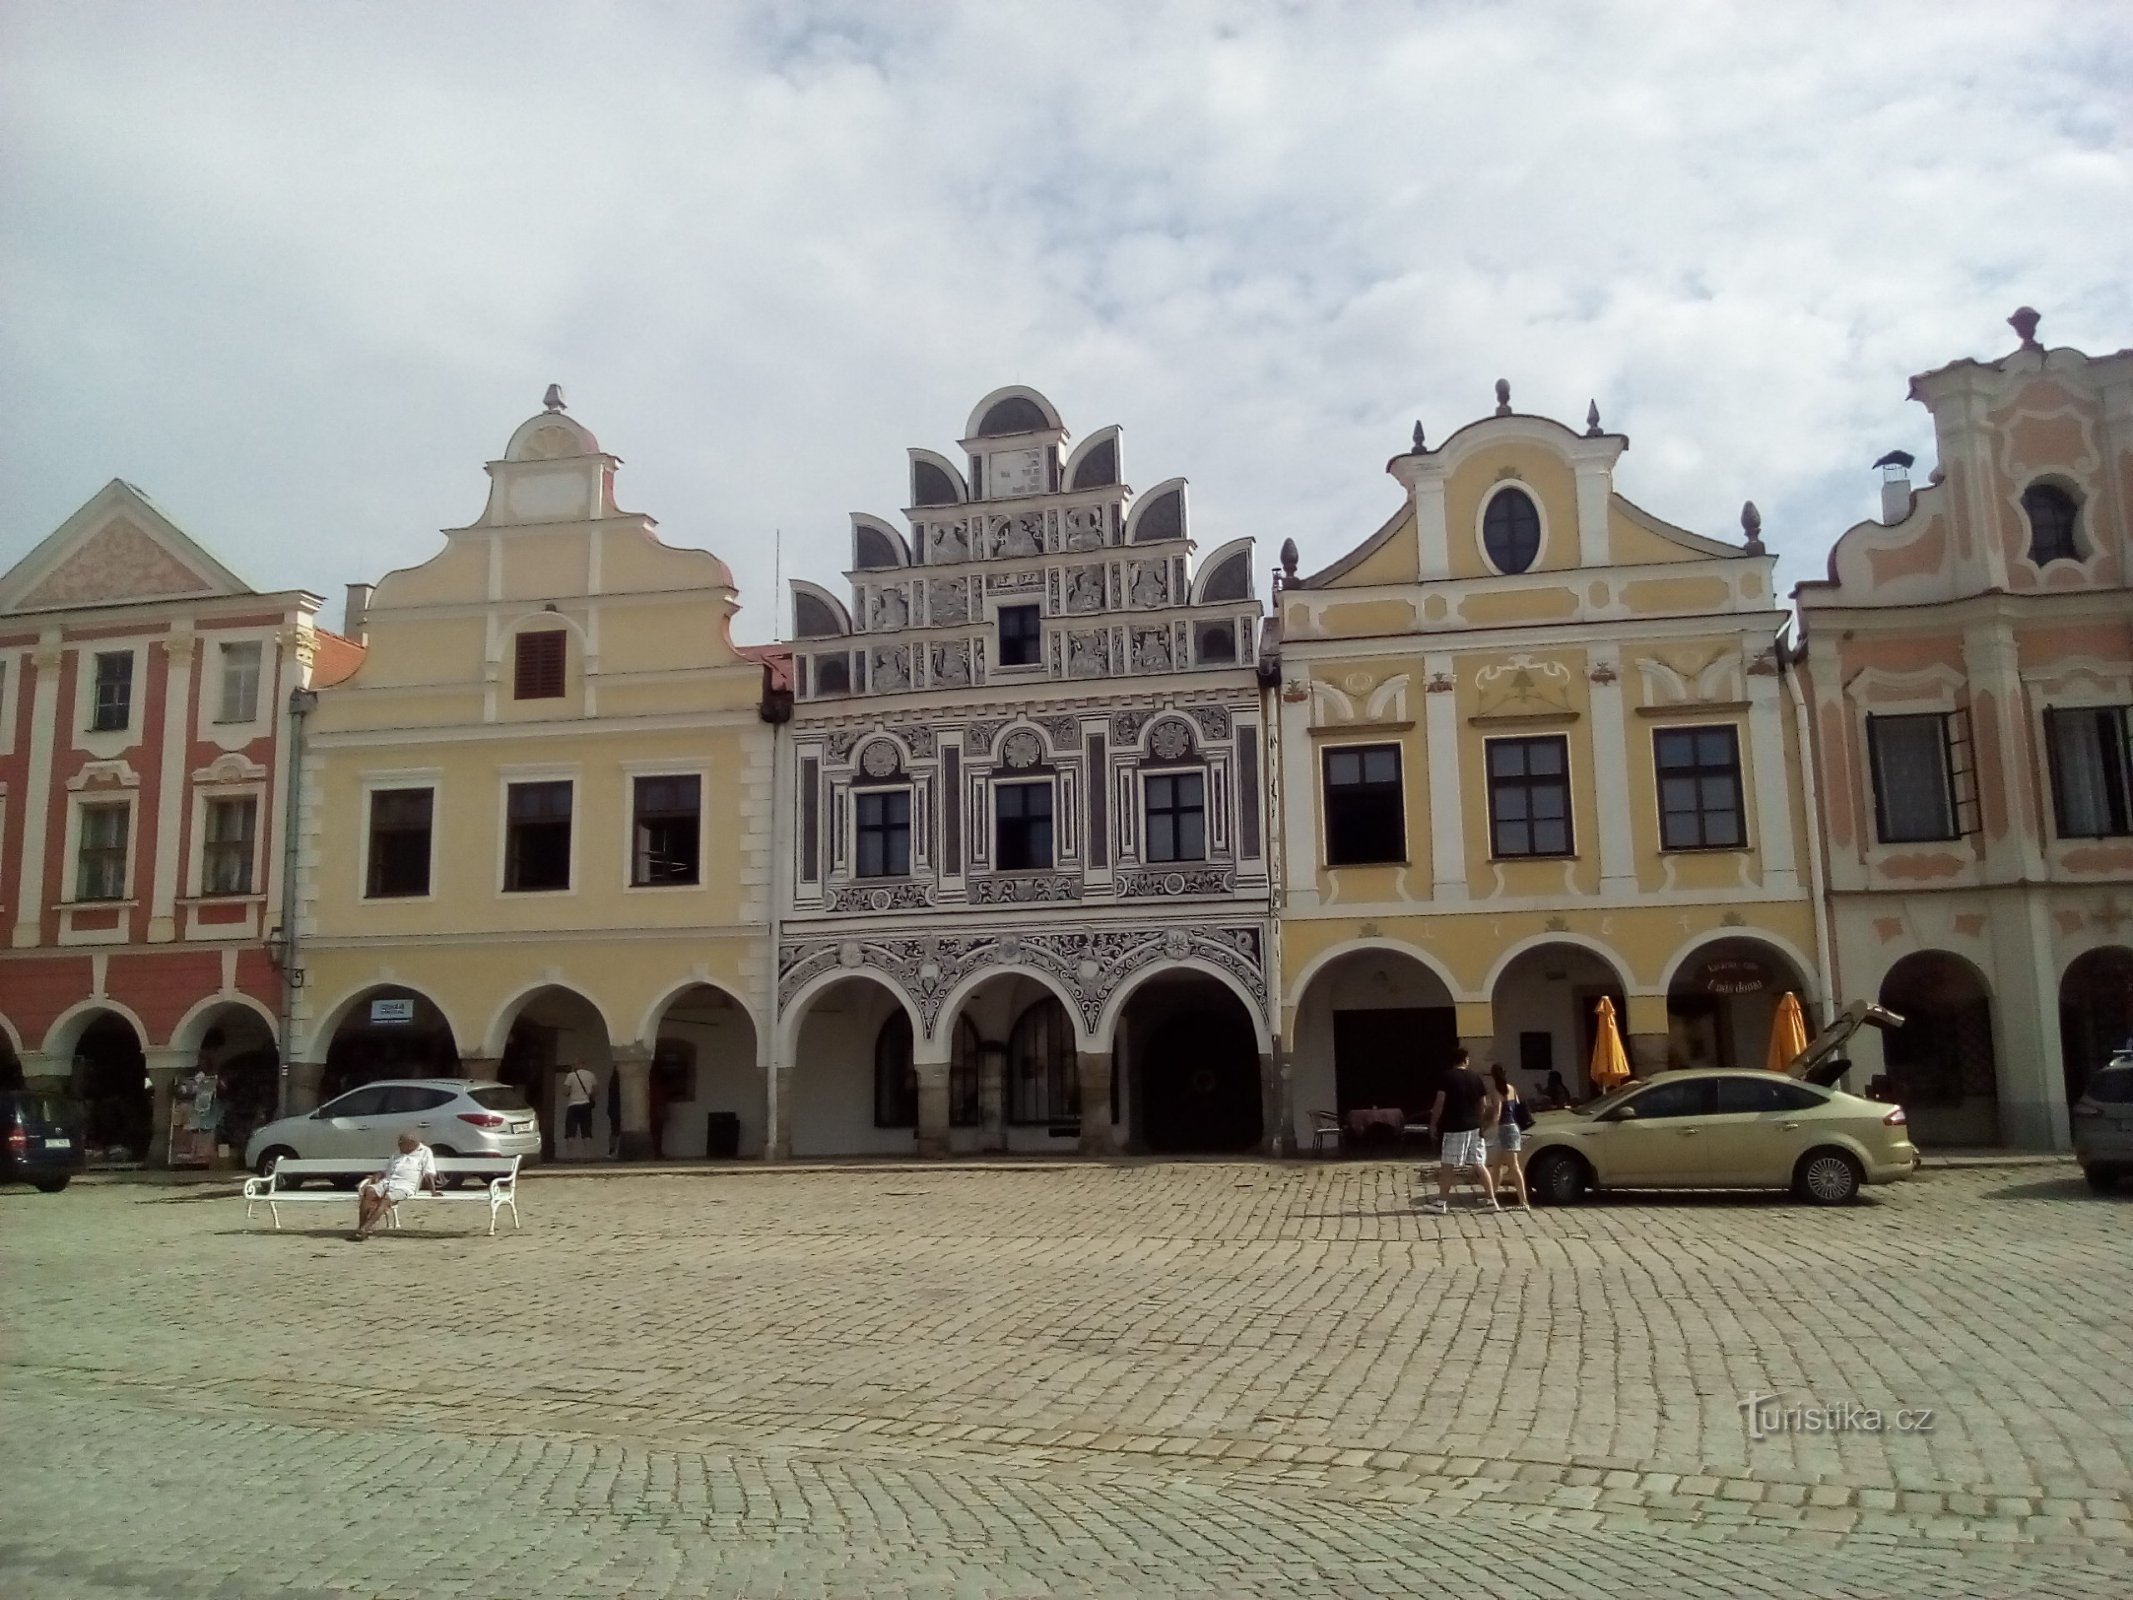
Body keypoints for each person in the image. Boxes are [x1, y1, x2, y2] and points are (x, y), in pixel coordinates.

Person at [1421, 1047, 1499, 1214]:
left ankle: (1441, 1202)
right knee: (1479, 1164)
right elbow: (1484, 1105)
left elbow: (1440, 1103)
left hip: (1454, 1126)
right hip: (1474, 1127)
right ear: (1465, 1060)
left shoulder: (1446, 1077)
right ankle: (1492, 1200)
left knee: (1448, 1165)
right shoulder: (1476, 1078)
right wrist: (1479, 1121)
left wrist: (1433, 1124)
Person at [350, 1132, 439, 1240]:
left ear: (411, 1144)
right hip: (387, 1182)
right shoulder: (398, 1153)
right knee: (369, 1191)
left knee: (386, 1198)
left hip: (405, 1186)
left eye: (401, 1144)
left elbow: (429, 1173)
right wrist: (378, 1176)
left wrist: (433, 1191)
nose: (399, 1146)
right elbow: (387, 1170)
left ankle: (364, 1230)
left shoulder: (425, 1152)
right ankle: (362, 1227)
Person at [1487, 1062, 1531, 1211]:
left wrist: (1487, 1128)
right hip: (1512, 1127)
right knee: (1497, 1165)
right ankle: (1491, 1198)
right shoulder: (1511, 1088)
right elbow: (1517, 1105)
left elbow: (1498, 1113)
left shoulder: (1496, 1092)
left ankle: (1523, 1202)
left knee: (1513, 1166)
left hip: (1505, 1128)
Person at [561, 1063, 597, 1158]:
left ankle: (570, 1155)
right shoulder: (591, 1075)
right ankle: (587, 1154)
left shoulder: (571, 1076)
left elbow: (565, 1091)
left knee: (570, 1132)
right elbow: (595, 1091)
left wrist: (571, 1093)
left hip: (573, 1105)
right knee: (586, 1131)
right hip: (586, 1105)